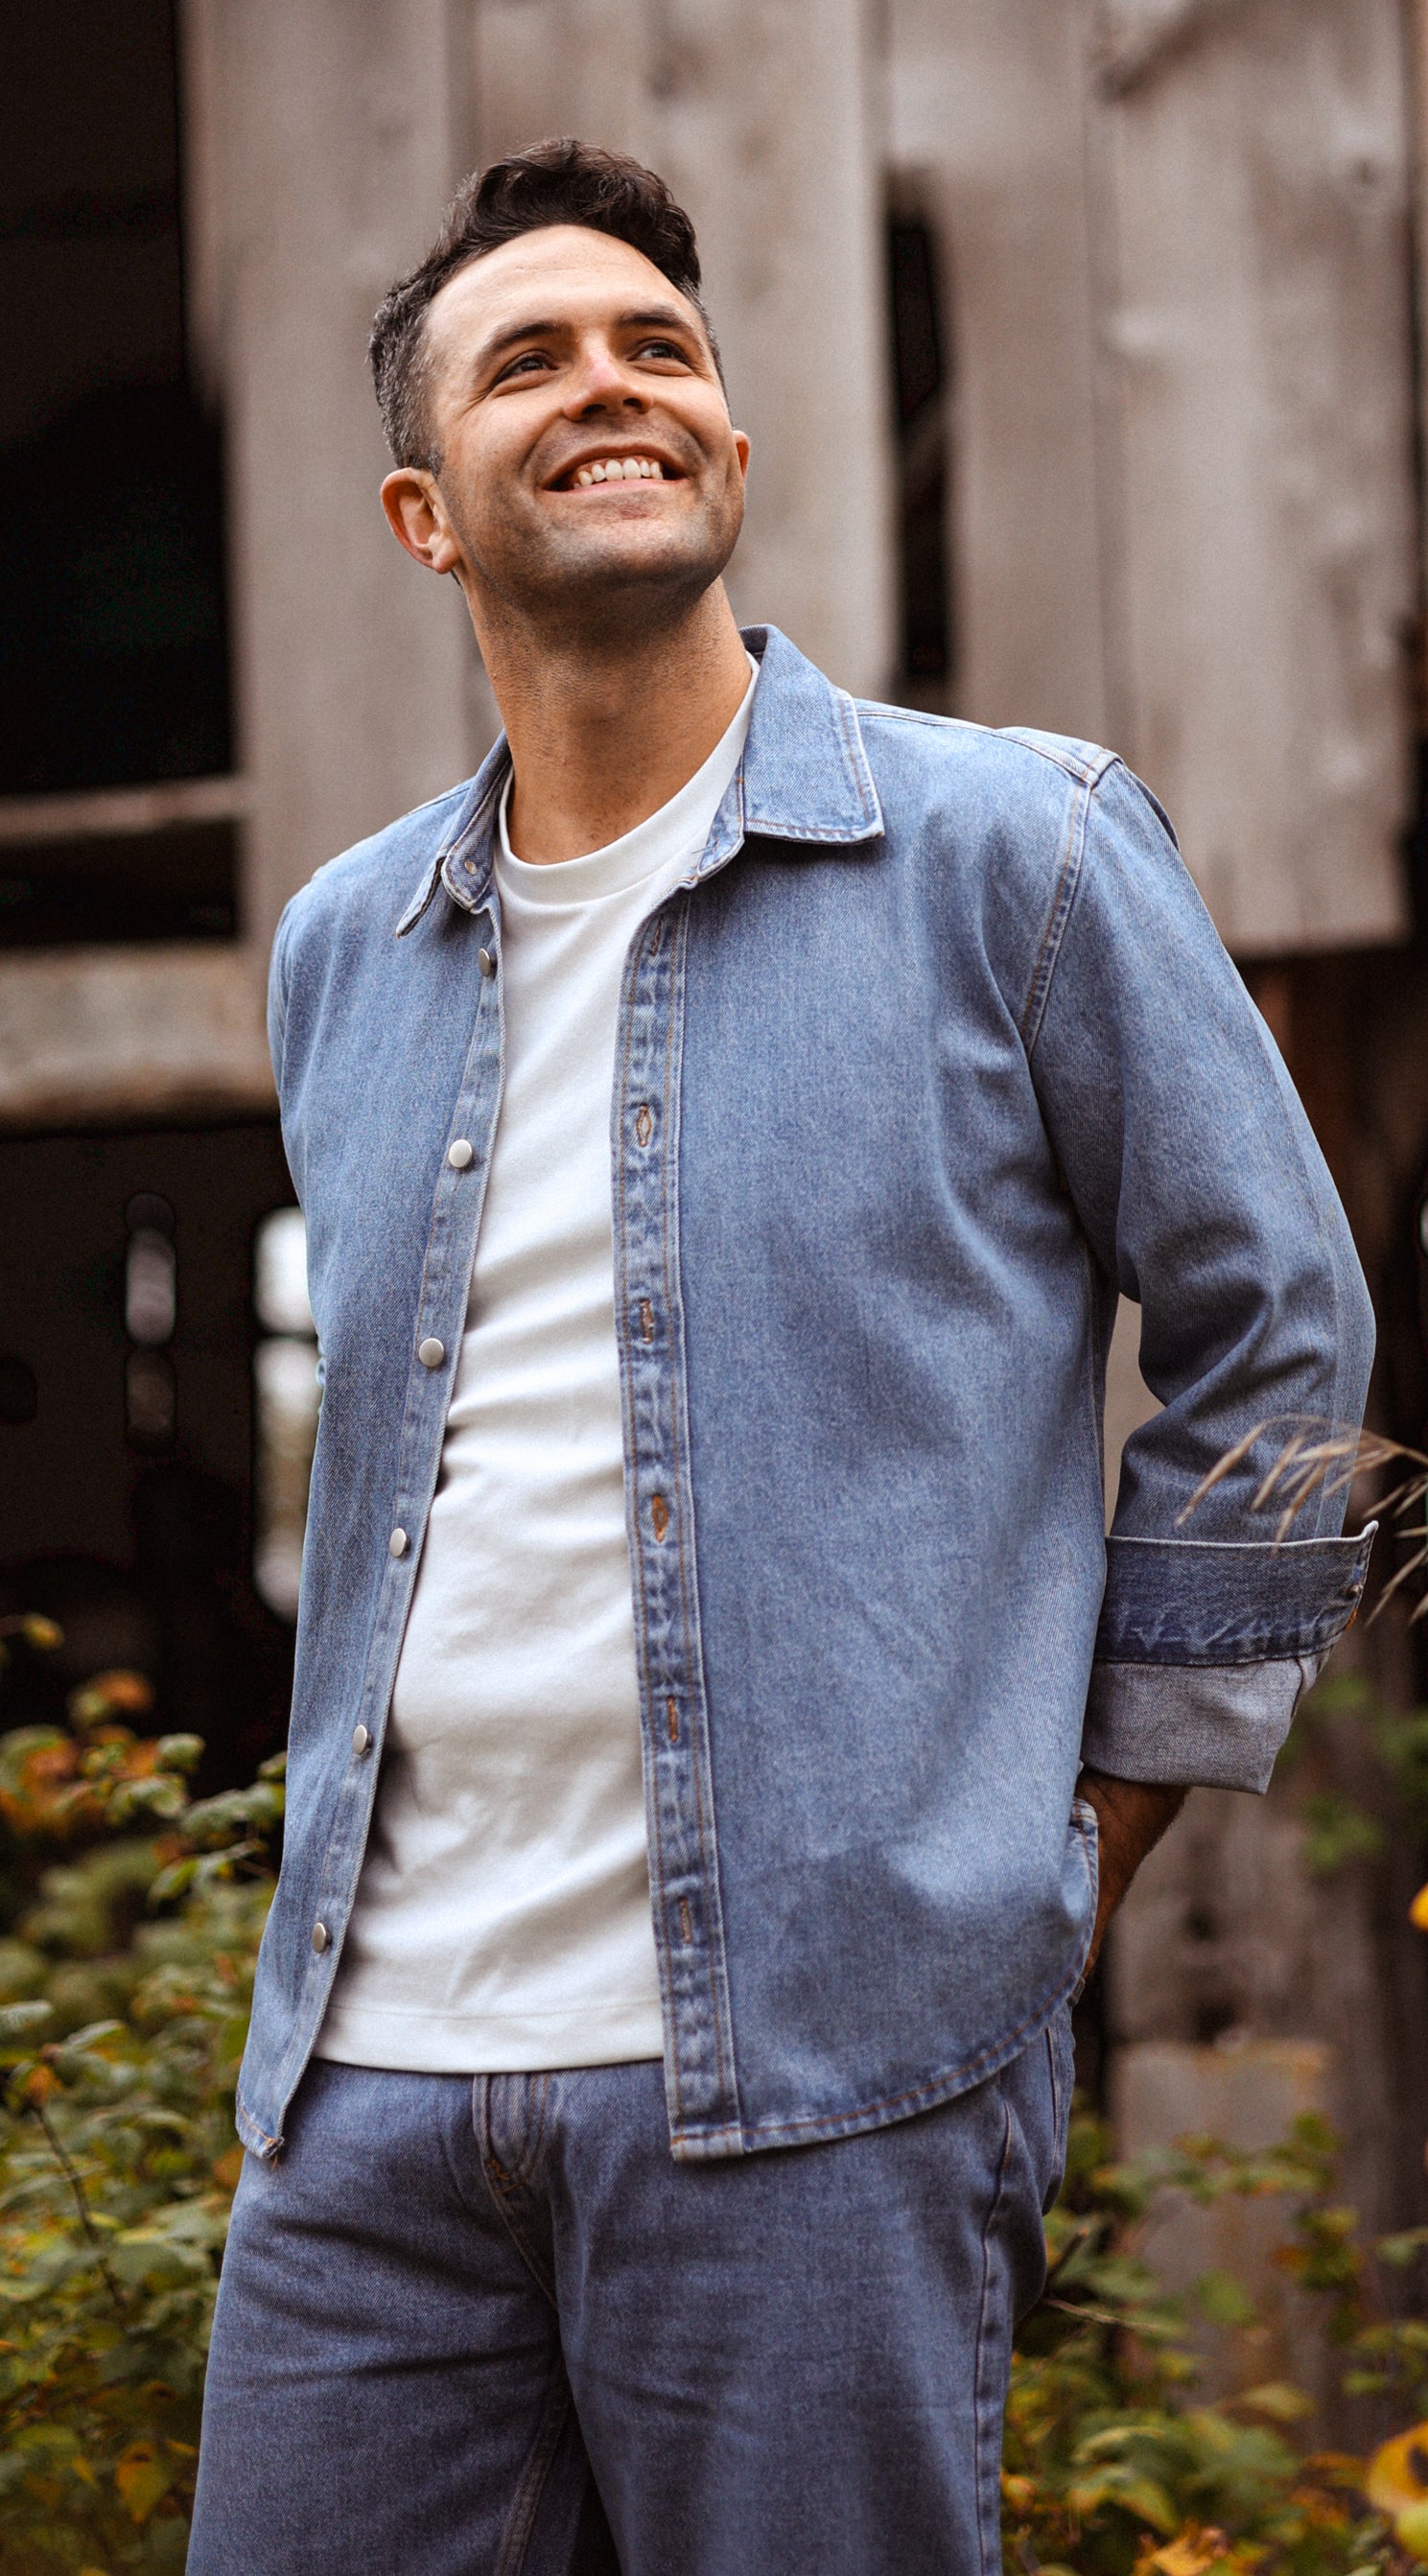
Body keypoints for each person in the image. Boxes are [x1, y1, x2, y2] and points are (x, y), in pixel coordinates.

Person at [189, 139, 1375, 2576]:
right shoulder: (342, 949)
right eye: (529, 358)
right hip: (369, 2097)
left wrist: (1087, 1833)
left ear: (729, 448)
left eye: (662, 350)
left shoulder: (1011, 853)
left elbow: (1284, 1335)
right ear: (424, 513)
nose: (613, 385)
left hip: (819, 2084)